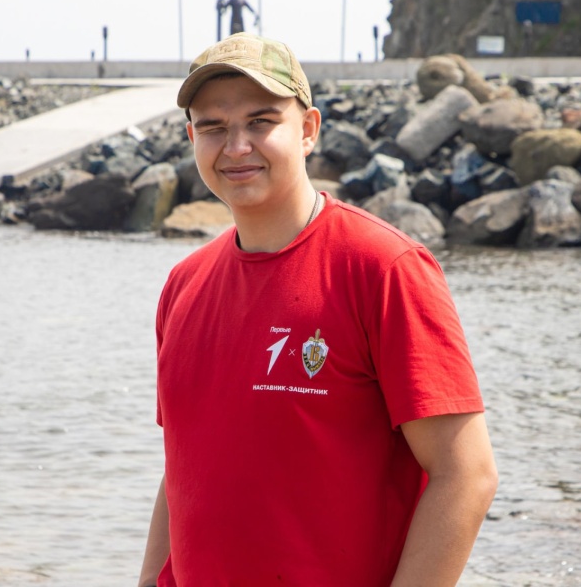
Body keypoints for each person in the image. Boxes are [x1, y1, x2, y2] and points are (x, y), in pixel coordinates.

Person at [138, 33, 498, 587]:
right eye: (213, 127)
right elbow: (183, 467)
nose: (236, 146)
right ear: (192, 138)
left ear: (307, 130)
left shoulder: (384, 268)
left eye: (261, 122)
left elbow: (466, 475)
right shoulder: (183, 285)